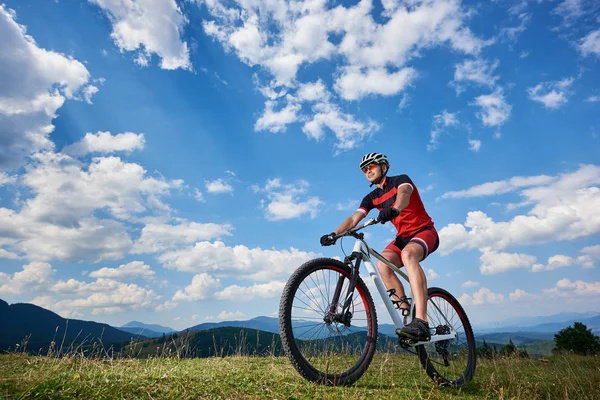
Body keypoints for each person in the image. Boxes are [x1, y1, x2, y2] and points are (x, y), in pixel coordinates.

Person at [320, 152, 439, 341]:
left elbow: (404, 194)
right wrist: (335, 234)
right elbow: (354, 219)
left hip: (424, 231)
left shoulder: (401, 180)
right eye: (364, 169)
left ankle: (421, 321)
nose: (367, 171)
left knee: (409, 255)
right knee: (383, 265)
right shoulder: (372, 197)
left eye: (371, 167)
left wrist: (395, 209)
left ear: (384, 167)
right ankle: (407, 318)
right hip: (402, 237)